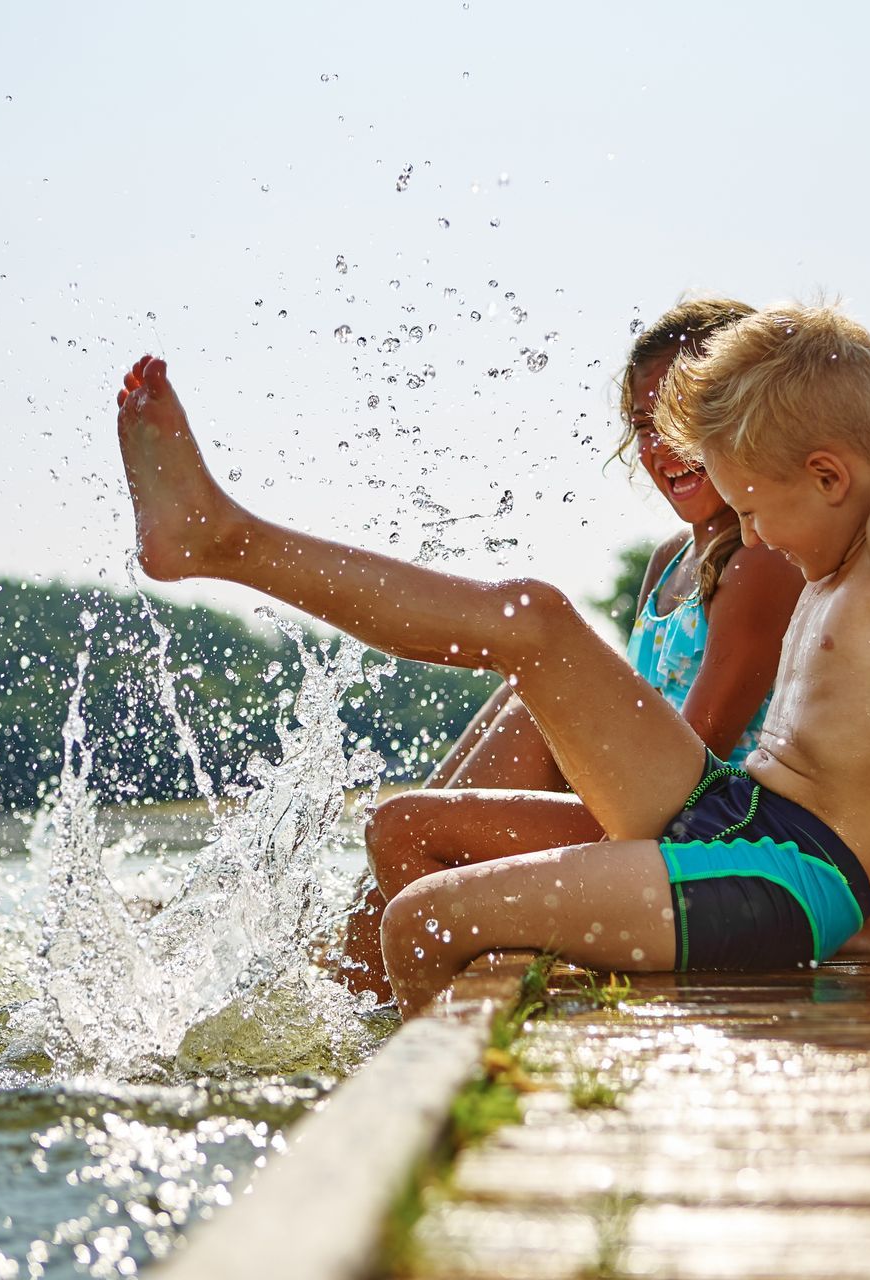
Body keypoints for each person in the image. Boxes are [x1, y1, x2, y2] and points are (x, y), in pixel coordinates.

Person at [114, 304, 870, 1017]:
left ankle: (418, 1147)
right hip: (742, 815)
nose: (751, 533)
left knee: (420, 921)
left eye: (753, 507)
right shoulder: (847, 549)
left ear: (827, 473)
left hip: (784, 873)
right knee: (535, 619)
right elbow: (868, 741)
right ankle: (222, 540)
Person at [337, 300, 806, 1000]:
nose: (663, 446)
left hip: (705, 840)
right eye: (646, 426)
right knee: (522, 702)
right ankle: (351, 1006)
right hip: (645, 812)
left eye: (688, 416)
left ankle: (404, 1044)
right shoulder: (669, 562)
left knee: (405, 826)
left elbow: (693, 773)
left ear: (749, 415)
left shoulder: (759, 561)